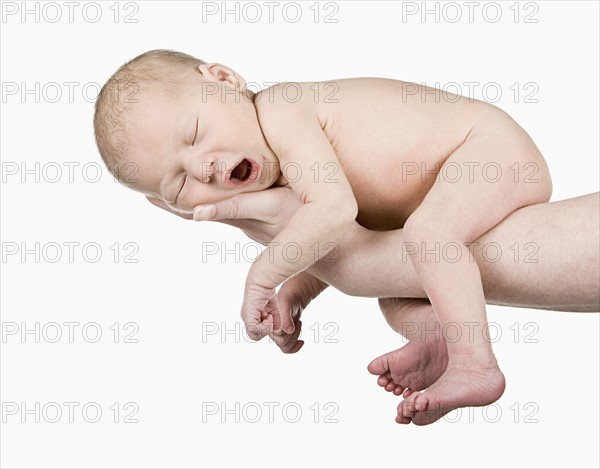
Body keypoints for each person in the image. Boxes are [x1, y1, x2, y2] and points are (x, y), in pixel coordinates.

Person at [93, 49, 585, 424]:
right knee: (391, 290)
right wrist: (296, 294)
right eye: (180, 182)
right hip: (447, 191)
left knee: (428, 233)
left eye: (196, 132)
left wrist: (263, 278)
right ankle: (435, 337)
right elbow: (334, 240)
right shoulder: (279, 174)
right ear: (166, 207)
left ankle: (477, 364)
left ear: (224, 80)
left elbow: (334, 211)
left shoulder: (281, 108)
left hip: (487, 151)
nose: (204, 167)